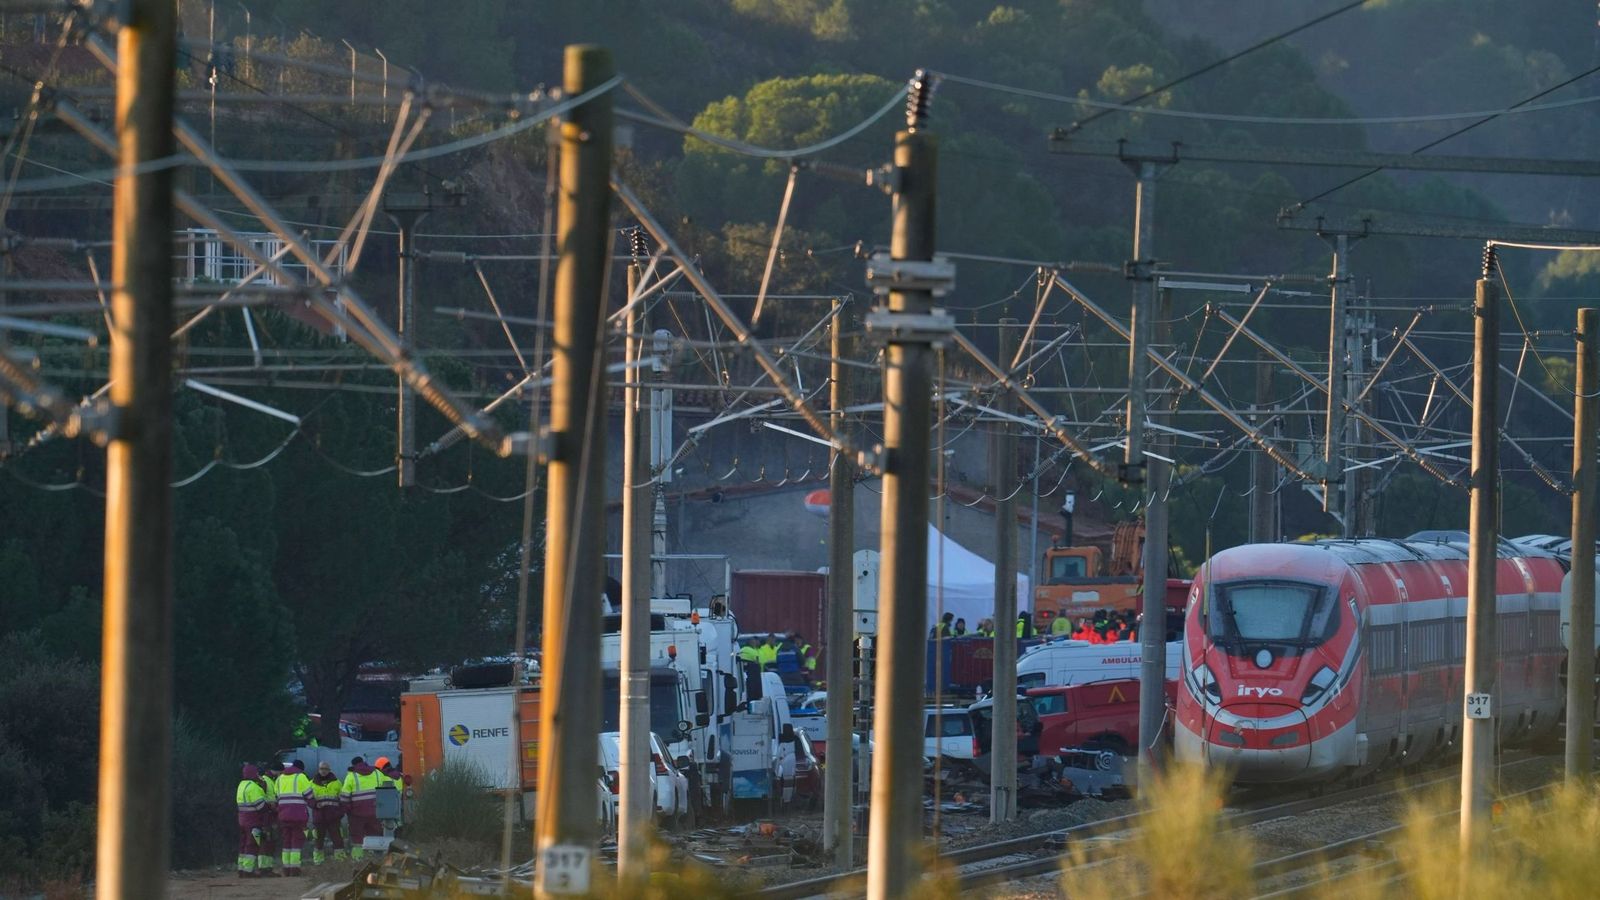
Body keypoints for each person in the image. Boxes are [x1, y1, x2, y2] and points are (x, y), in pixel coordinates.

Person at [274, 760, 314, 876]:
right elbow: (309, 795)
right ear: (301, 769)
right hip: (298, 815)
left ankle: (286, 869)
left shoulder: (280, 778)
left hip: (283, 815)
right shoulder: (301, 777)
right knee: (296, 841)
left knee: (286, 841)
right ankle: (295, 868)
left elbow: (276, 795)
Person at [341, 756, 383, 860]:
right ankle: (374, 858)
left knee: (357, 837)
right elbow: (386, 788)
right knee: (374, 833)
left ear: (353, 765)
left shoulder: (351, 776)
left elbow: (344, 797)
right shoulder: (377, 773)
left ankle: (357, 858)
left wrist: (347, 810)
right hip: (375, 811)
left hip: (357, 813)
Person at [236, 764, 270, 878]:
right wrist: (269, 806)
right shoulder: (253, 787)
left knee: (243, 844)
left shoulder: (241, 785)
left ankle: (241, 869)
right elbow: (260, 806)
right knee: (252, 845)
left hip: (242, 821)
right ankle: (248, 870)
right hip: (253, 822)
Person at [309, 761, 346, 864]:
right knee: (318, 840)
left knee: (338, 840)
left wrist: (340, 813)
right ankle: (318, 862)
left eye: (326, 769)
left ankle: (340, 861)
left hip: (334, 817)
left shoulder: (337, 783)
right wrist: (314, 805)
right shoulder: (311, 783)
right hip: (319, 817)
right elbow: (308, 798)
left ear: (329, 770)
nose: (323, 771)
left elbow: (343, 799)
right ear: (318, 769)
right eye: (321, 769)